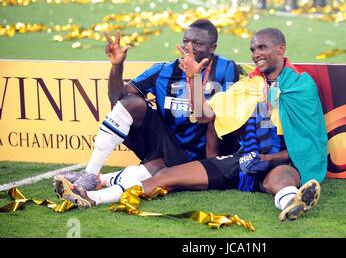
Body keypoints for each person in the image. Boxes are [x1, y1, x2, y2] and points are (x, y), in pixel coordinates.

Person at [56, 28, 328, 221]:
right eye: (253, 49)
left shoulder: (300, 85)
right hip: (232, 159)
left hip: (277, 159)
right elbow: (206, 115)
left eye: (262, 47)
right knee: (162, 177)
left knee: (282, 178)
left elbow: (308, 141)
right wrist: (194, 80)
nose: (256, 53)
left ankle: (292, 201)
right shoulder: (248, 85)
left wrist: (268, 157)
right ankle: (93, 196)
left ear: (281, 49)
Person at [56, 19, 242, 194]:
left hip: (206, 153)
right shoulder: (163, 70)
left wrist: (194, 79)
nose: (189, 47)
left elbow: (208, 118)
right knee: (131, 103)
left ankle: (101, 180)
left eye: (198, 44)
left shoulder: (226, 68)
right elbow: (116, 96)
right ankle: (90, 174)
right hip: (170, 147)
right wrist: (117, 67)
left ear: (212, 48)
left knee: (153, 171)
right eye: (185, 41)